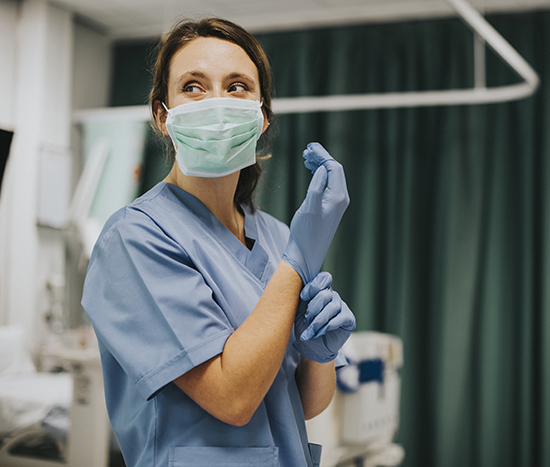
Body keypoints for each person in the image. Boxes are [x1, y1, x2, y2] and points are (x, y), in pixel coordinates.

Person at [81, 17, 355, 467]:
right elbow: (233, 398)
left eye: (237, 86)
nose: (216, 103)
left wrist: (318, 354)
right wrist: (297, 264)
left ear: (261, 116)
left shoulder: (277, 236)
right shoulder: (134, 238)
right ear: (161, 116)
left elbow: (298, 405)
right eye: (192, 86)